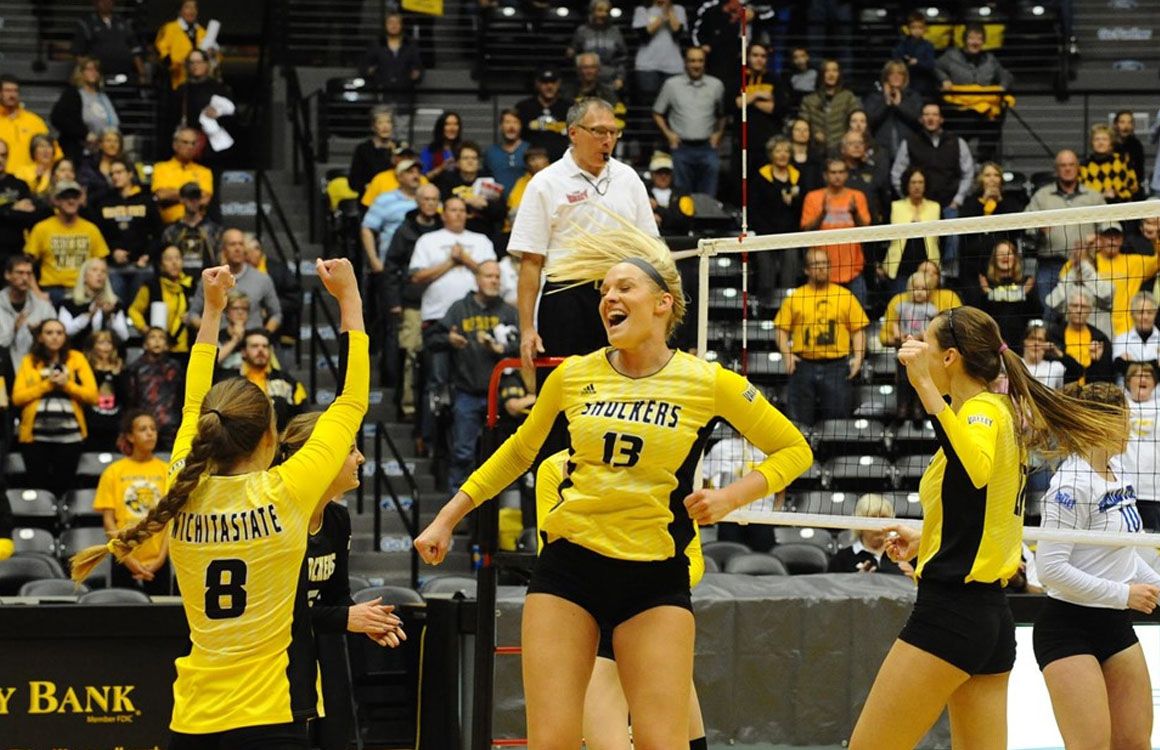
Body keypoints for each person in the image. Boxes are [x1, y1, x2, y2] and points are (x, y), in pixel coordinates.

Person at [414, 223, 813, 748]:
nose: (609, 298)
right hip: (569, 571)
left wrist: (729, 497)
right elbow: (516, 453)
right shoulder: (574, 375)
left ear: (663, 303)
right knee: (551, 740)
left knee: (660, 740)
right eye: (603, 290)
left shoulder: (708, 382)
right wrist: (447, 517)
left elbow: (795, 450)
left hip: (653, 579)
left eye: (624, 287)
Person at [69, 257, 370, 747]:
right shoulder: (288, 490)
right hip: (270, 717)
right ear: (271, 439)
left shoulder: (180, 488)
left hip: (193, 719)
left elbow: (191, 404)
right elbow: (351, 401)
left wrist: (211, 310)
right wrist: (350, 300)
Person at [849, 305, 1125, 750]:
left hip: (951, 613)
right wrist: (928, 539)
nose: (918, 351)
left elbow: (973, 470)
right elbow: (987, 508)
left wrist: (922, 385)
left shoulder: (980, 414)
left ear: (949, 358)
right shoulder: (996, 412)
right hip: (990, 618)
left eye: (928, 345)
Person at [535, 448, 710, 749]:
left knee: (687, 741)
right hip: (597, 627)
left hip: (651, 620)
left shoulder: (665, 457)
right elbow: (550, 550)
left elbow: (692, 558)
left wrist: (649, 577)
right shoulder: (556, 467)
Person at [1034, 380, 1159, 750]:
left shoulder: (1120, 474)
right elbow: (1050, 570)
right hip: (1068, 627)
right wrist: (1124, 594)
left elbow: (1120, 554)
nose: (1129, 429)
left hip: (1114, 625)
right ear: (1098, 423)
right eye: (1123, 419)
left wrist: (1154, 583)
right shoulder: (1070, 485)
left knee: (1135, 743)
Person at [278, 408, 403, 750]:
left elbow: (336, 599)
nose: (361, 458)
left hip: (302, 663)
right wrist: (348, 619)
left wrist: (366, 619)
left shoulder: (337, 519)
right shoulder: (278, 518)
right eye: (350, 450)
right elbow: (278, 612)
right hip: (262, 666)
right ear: (321, 458)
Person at [512, 98, 656, 379]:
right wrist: (527, 329)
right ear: (573, 133)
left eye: (614, 132)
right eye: (599, 131)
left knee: (620, 392)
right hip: (566, 296)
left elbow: (650, 250)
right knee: (565, 392)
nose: (608, 139)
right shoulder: (545, 183)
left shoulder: (629, 179)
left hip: (621, 297)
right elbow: (530, 261)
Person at [409, 196, 496, 444]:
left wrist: (466, 260)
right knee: (436, 380)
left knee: (472, 382)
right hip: (437, 319)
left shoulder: (480, 241)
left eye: (461, 210)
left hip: (476, 319)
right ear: (443, 213)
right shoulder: (429, 240)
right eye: (452, 210)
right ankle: (428, 436)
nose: (457, 214)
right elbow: (416, 276)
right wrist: (450, 262)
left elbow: (491, 274)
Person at [427, 261, 518, 494]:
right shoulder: (459, 309)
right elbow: (431, 340)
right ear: (477, 279)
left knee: (502, 457)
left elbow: (524, 346)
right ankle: (459, 517)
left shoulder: (509, 312)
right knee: (462, 454)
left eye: (498, 277)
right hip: (466, 393)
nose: (495, 281)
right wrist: (450, 340)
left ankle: (494, 515)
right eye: (489, 276)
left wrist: (503, 349)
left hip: (501, 396)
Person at [774, 247, 868, 426]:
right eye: (816, 264)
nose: (822, 268)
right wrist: (787, 355)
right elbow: (781, 329)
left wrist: (858, 358)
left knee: (837, 424)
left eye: (825, 263)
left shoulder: (844, 295)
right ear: (806, 269)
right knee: (799, 424)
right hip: (803, 366)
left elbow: (858, 330)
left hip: (837, 366)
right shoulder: (796, 297)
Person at [12, 318, 98, 499]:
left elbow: (93, 396)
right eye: (49, 333)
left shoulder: (77, 358)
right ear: (40, 337)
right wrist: (47, 385)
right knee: (38, 488)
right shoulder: (29, 361)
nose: (55, 337)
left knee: (64, 488)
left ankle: (63, 524)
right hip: (35, 438)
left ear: (65, 337)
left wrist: (67, 385)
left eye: (59, 333)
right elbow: (17, 398)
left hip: (70, 438)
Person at [94, 410, 170, 593]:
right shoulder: (113, 472)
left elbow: (171, 521)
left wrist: (161, 558)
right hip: (123, 559)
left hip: (158, 561)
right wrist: (127, 558)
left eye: (153, 429)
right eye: (143, 429)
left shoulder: (167, 471)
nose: (150, 433)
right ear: (130, 436)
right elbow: (108, 521)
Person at [384, 184, 442, 424]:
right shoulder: (405, 230)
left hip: (440, 301)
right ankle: (407, 406)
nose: (430, 203)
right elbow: (391, 268)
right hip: (412, 301)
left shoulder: (443, 229)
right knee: (410, 353)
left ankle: (434, 409)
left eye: (434, 199)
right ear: (418, 202)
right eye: (426, 199)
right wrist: (394, 301)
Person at [890, 102, 975, 259]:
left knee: (953, 242)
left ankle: (948, 278)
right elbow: (897, 174)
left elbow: (968, 173)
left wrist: (958, 200)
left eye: (935, 114)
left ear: (941, 119)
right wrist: (907, 199)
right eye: (927, 115)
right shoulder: (909, 143)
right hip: (920, 207)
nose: (931, 118)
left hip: (949, 205)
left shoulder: (957, 142)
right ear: (921, 119)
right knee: (921, 250)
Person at [1025, 149, 1106, 307]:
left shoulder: (1093, 196)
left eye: (1071, 165)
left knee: (1086, 310)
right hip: (1050, 264)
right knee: (1049, 310)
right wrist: (1037, 230)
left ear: (1078, 168)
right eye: (1063, 165)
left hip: (1086, 265)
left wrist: (1100, 239)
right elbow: (1026, 226)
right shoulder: (1042, 196)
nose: (1067, 169)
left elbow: (1109, 226)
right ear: (1056, 169)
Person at [652, 47, 726, 197]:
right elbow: (657, 113)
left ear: (705, 63)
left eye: (700, 61)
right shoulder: (671, 85)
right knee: (682, 197)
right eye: (692, 61)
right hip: (681, 148)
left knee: (708, 196)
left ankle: (706, 221)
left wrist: (719, 133)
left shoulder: (716, 85)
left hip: (707, 148)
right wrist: (669, 134)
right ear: (685, 62)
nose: (696, 65)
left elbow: (723, 114)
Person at [935, 23, 1014, 162]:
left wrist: (1002, 86)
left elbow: (1005, 75)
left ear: (983, 41)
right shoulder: (951, 55)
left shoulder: (990, 59)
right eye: (972, 38)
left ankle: (982, 162)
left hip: (984, 109)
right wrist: (944, 79)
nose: (975, 42)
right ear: (965, 40)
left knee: (994, 122)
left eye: (979, 39)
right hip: (960, 110)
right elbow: (936, 67)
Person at [24, 180, 109, 304]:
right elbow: (26, 265)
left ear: (80, 200)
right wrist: (37, 293)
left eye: (75, 197)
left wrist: (100, 293)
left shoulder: (91, 229)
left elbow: (102, 264)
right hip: (52, 291)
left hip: (84, 290)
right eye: (65, 197)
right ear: (56, 201)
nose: (71, 201)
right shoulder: (41, 229)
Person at [799, 158, 870, 306]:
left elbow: (867, 231)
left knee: (858, 318)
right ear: (825, 175)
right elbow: (806, 231)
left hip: (853, 269)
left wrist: (855, 213)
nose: (837, 176)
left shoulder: (857, 196)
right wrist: (822, 214)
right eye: (833, 172)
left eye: (841, 172)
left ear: (846, 175)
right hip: (821, 270)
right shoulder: (813, 197)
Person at [187, 228, 281, 334]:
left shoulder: (262, 279)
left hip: (252, 343)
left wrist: (264, 337)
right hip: (220, 344)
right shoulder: (211, 279)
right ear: (223, 249)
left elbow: (276, 314)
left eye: (241, 244)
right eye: (232, 244)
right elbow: (192, 315)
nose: (237, 248)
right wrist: (212, 333)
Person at [94, 155, 161, 299]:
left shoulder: (146, 200)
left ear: (130, 173)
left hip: (141, 264)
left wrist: (147, 255)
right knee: (115, 304)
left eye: (119, 172)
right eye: (112, 174)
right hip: (113, 267)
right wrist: (112, 252)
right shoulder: (104, 202)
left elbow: (158, 233)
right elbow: (99, 235)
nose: (115, 177)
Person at [227, 328, 307, 431]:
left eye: (265, 346)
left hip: (279, 441)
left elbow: (304, 415)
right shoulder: (231, 382)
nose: (260, 350)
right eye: (254, 346)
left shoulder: (287, 381)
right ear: (243, 352)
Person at [888, 271, 940, 422]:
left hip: (920, 350)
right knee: (903, 380)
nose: (919, 292)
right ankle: (902, 408)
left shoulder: (931, 309)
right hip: (903, 349)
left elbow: (932, 328)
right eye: (916, 288)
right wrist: (898, 335)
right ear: (910, 289)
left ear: (929, 291)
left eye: (923, 289)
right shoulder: (902, 306)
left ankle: (918, 407)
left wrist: (922, 336)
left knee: (919, 379)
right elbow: (894, 322)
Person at [881, 166, 939, 296]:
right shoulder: (895, 207)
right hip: (899, 269)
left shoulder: (935, 207)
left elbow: (944, 240)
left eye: (920, 182)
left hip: (928, 268)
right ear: (906, 185)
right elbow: (881, 236)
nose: (917, 186)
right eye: (913, 182)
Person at [50, 57, 120, 166]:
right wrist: (84, 134)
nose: (93, 72)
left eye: (96, 70)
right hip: (81, 153)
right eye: (89, 69)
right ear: (81, 72)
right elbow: (58, 118)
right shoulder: (73, 94)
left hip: (103, 153)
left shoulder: (103, 96)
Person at [1094, 222, 1158, 338]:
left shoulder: (1133, 263)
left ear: (1122, 240)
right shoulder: (1091, 261)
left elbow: (1158, 261)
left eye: (1116, 237)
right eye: (1108, 236)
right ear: (1099, 239)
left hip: (1127, 329)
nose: (1112, 241)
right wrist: (1086, 252)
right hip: (1097, 328)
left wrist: (1156, 239)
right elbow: (1064, 275)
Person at [125, 326, 183, 450]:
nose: (157, 341)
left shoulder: (175, 367)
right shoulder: (135, 368)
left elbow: (181, 395)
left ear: (167, 345)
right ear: (145, 344)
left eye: (161, 338)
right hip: (145, 424)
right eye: (152, 337)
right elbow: (131, 398)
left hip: (171, 424)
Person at [361, 158, 422, 276]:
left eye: (418, 172)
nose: (416, 176)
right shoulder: (384, 200)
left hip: (421, 266)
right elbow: (367, 229)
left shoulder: (427, 200)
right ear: (399, 177)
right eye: (410, 172)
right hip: (391, 265)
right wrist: (374, 260)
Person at [977, 240, 1041, 352]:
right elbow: (980, 316)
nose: (1005, 256)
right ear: (994, 258)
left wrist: (1028, 294)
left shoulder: (1026, 282)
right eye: (1001, 253)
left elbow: (1038, 312)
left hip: (1021, 344)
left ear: (1015, 257)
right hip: (993, 343)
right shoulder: (986, 283)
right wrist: (986, 294)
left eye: (1009, 253)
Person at [128, 245, 193, 356]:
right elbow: (134, 310)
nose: (174, 263)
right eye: (168, 259)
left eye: (177, 258)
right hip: (160, 351)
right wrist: (145, 329)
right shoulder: (151, 286)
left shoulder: (191, 285)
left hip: (187, 348)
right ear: (160, 264)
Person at [434, 141, 505, 240]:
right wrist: (466, 201)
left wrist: (486, 205)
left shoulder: (488, 179)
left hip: (484, 234)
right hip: (453, 233)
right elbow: (442, 206)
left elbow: (501, 211)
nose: (470, 161)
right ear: (457, 162)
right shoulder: (448, 179)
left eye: (474, 158)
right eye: (466, 158)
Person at [60, 256, 130, 348]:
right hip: (77, 354)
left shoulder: (114, 303)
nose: (99, 274)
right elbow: (65, 333)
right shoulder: (69, 303)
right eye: (94, 270)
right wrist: (89, 316)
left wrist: (109, 318)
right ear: (84, 276)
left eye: (103, 271)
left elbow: (124, 336)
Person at [0, 255, 56, 370]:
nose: (25, 278)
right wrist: (14, 329)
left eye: (28, 273)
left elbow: (56, 341)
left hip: (36, 369)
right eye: (20, 273)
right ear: (7, 275)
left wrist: (39, 334)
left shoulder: (44, 308)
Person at [1048, 291, 1115, 385]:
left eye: (1084, 307)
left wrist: (1096, 362)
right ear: (1067, 308)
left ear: (1090, 310)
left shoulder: (1100, 338)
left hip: (1090, 394)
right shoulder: (1053, 335)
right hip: (1061, 391)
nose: (1079, 310)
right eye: (1074, 306)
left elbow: (1106, 379)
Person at [828, 494, 906, 574]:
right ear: (860, 522)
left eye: (884, 518)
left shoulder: (904, 555)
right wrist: (857, 580)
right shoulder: (841, 560)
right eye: (873, 518)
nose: (879, 525)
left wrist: (913, 577)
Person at [864, 60, 923, 166]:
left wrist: (899, 105)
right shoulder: (875, 97)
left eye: (900, 74)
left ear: (905, 77)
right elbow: (869, 121)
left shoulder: (913, 97)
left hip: (908, 151)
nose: (896, 77)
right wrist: (886, 103)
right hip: (881, 151)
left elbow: (918, 120)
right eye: (892, 73)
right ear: (886, 76)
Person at [72, 0, 147, 82]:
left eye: (109, 0)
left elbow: (135, 49)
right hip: (98, 75)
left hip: (125, 73)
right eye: (102, 0)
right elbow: (79, 53)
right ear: (95, 2)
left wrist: (142, 74)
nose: (106, 2)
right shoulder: (86, 23)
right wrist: (88, 73)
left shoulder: (124, 22)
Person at [1124, 362, 1160, 531]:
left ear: (1155, 383)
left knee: (1153, 550)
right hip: (1123, 490)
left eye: (1148, 376)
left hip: (1153, 490)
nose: (1143, 379)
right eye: (1138, 375)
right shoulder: (1120, 405)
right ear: (1128, 381)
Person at [798, 59, 861, 155]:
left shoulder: (848, 97)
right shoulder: (809, 100)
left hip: (843, 149)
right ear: (822, 74)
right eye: (827, 71)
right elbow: (802, 125)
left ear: (839, 74)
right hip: (816, 150)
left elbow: (858, 121)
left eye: (835, 71)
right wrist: (814, 134)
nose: (831, 74)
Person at [631, 0, 687, 104]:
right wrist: (661, 16)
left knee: (672, 102)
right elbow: (644, 34)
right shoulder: (642, 10)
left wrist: (669, 10)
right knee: (648, 102)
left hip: (673, 66)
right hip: (647, 66)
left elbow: (677, 31)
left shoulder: (679, 9)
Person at [566, 0, 628, 93]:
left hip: (609, 81)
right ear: (592, 11)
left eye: (607, 11)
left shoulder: (615, 31)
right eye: (600, 10)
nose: (603, 14)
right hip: (586, 81)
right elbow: (573, 55)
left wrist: (620, 78)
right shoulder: (582, 31)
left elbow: (622, 58)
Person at [359, 12, 423, 101]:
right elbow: (365, 67)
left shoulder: (410, 45)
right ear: (385, 25)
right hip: (382, 95)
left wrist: (416, 74)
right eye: (390, 22)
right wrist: (371, 71)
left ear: (401, 25)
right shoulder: (376, 45)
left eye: (397, 22)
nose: (394, 25)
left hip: (405, 95)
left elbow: (418, 68)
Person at [161, 181, 221, 275]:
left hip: (207, 282)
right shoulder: (171, 232)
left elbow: (219, 259)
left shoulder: (214, 230)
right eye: (189, 198)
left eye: (197, 197)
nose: (194, 201)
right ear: (181, 199)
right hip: (178, 283)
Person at [154, 0, 215, 90]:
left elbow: (214, 60)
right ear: (180, 11)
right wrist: (178, 62)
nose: (191, 11)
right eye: (187, 7)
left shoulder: (203, 32)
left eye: (194, 8)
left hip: (199, 83)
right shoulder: (169, 29)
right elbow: (161, 51)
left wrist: (212, 54)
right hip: (175, 81)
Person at [0, 75, 54, 176]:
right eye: (7, 90)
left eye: (15, 91)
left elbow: (53, 151)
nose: (12, 95)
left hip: (30, 181)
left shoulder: (35, 121)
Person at [515, 69, 570, 162]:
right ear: (537, 83)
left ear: (559, 83)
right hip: (531, 164)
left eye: (553, 82)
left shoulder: (568, 107)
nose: (549, 86)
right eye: (545, 82)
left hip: (562, 162)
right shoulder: (524, 107)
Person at [83, 328, 125, 451]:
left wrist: (116, 376)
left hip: (114, 423)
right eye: (101, 342)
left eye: (109, 343)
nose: (106, 347)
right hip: (91, 423)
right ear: (92, 346)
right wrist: (102, 374)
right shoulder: (85, 369)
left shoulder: (121, 369)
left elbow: (126, 397)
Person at [347, 106, 399, 201]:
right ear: (373, 127)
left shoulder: (400, 148)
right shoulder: (363, 149)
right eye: (380, 122)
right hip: (370, 200)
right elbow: (353, 182)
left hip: (396, 200)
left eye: (388, 122)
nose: (385, 126)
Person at [1079, 123, 1139, 204]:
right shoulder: (1084, 166)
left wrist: (1117, 194)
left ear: (1111, 143)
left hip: (1120, 207)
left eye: (1104, 139)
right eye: (1097, 139)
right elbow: (1081, 192)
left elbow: (1133, 187)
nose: (1101, 143)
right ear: (1091, 143)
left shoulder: (1121, 160)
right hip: (1094, 209)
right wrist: (1101, 197)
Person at [0, 138, 37, 261]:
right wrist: (11, 209)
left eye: (3, 155)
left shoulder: (19, 185)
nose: (0, 159)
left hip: (15, 251)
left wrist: (5, 212)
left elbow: (29, 216)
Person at [1020, 320, 1081, 389]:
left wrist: (1058, 353)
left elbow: (1078, 372)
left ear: (1046, 343)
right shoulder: (1015, 363)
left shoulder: (1054, 367)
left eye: (1040, 340)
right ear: (1025, 341)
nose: (1036, 343)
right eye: (1032, 338)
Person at [645, 152, 693, 238]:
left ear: (672, 174)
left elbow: (684, 222)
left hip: (677, 240)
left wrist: (657, 208)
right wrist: (650, 219)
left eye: (667, 172)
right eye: (659, 172)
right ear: (652, 174)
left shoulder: (683, 194)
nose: (663, 176)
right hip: (650, 239)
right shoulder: (643, 192)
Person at [484, 109, 529, 199]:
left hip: (524, 205)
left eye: (515, 122)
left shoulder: (530, 150)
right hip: (498, 207)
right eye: (507, 122)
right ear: (501, 126)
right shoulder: (491, 153)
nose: (511, 126)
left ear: (521, 126)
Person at [891, 12, 936, 97]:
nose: (917, 31)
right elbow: (895, 60)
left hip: (922, 82)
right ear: (908, 28)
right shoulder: (901, 45)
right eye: (913, 27)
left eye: (920, 28)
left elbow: (931, 65)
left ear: (925, 29)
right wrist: (905, 61)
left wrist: (917, 62)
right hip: (904, 81)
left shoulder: (928, 45)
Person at [1112, 291, 1160, 371]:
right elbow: (1120, 366)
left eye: (1150, 312)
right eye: (1140, 312)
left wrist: (1132, 365)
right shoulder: (1121, 339)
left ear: (1156, 314)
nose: (1145, 317)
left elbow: (1127, 367)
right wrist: (1155, 363)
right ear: (1132, 314)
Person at [420, 112, 462, 182]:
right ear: (441, 127)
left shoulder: (463, 149)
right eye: (448, 124)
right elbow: (423, 178)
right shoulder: (430, 150)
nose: (452, 128)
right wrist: (442, 168)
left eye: (455, 124)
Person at [1114, 110, 1146, 201]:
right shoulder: (1110, 145)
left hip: (1133, 193)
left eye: (1129, 122)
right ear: (1115, 124)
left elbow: (1140, 172)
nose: (1126, 126)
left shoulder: (1137, 145)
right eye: (1122, 122)